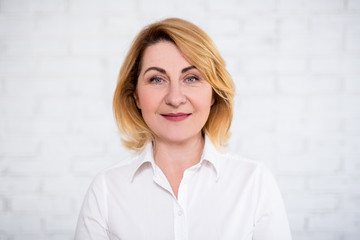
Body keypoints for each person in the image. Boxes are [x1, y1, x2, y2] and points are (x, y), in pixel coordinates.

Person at [75, 18, 292, 240]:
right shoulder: (105, 190)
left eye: (191, 78)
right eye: (157, 79)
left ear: (213, 94)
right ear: (136, 96)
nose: (175, 98)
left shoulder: (255, 183)